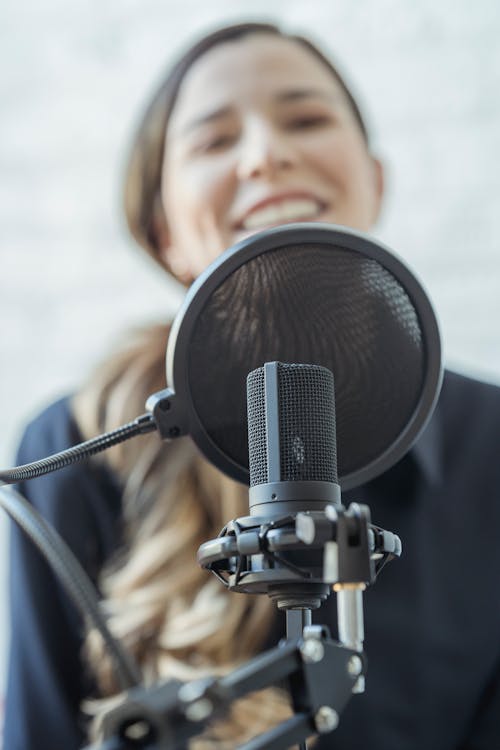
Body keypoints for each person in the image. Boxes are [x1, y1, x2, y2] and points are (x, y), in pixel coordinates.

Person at [4, 20, 500, 750]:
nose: (267, 155)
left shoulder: (491, 442)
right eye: (213, 141)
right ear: (163, 228)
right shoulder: (72, 447)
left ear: (377, 179)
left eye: (306, 118)